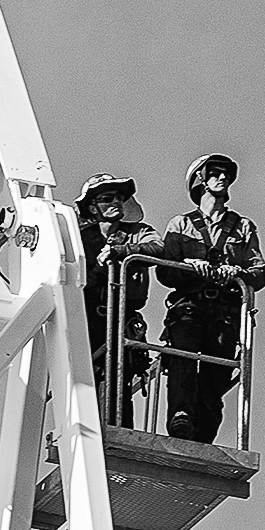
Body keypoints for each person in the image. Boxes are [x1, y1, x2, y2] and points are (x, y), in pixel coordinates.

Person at [153, 152, 265, 445]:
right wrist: (189, 267)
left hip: (224, 313)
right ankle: (181, 421)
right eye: (215, 172)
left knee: (215, 381)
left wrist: (237, 271)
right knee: (183, 364)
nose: (223, 177)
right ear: (200, 180)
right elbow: (165, 273)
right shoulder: (180, 224)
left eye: (225, 173)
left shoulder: (243, 227)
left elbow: (259, 273)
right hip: (188, 308)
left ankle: (203, 439)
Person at [75, 176, 157, 424]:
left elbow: (157, 247)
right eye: (107, 198)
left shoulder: (137, 233)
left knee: (118, 380)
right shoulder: (79, 238)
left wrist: (122, 251)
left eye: (120, 198)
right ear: (92, 207)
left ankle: (117, 428)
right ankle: (88, 432)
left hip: (120, 319)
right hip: (88, 320)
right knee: (86, 381)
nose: (116, 202)